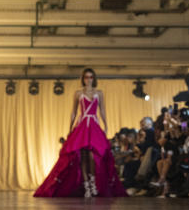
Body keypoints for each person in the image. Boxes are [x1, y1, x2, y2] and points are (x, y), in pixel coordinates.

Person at [34, 68, 127, 198]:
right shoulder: (78, 93)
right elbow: (73, 112)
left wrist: (106, 125)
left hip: (93, 124)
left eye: (90, 77)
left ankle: (93, 182)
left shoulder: (99, 93)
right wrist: (70, 127)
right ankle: (87, 186)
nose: (88, 80)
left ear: (94, 79)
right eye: (86, 77)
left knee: (92, 155)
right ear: (83, 79)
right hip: (82, 124)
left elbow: (102, 110)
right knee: (82, 156)